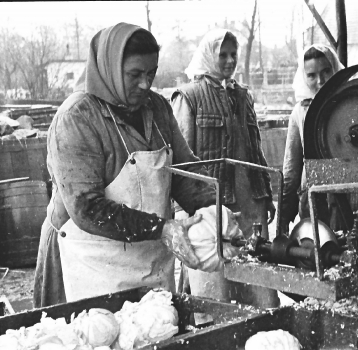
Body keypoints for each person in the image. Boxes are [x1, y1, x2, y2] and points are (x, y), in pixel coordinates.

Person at [33, 23, 217, 305]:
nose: (146, 84)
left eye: (151, 73)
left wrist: (217, 214)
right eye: (134, 74)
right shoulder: (77, 117)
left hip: (147, 258)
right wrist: (162, 229)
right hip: (87, 262)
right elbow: (86, 207)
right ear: (108, 68)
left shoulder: (157, 108)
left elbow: (183, 174)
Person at [171, 29, 278, 308]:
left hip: (249, 204)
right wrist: (189, 211)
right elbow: (181, 163)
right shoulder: (188, 97)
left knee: (260, 290)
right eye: (223, 54)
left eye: (234, 54)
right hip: (212, 210)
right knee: (214, 293)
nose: (230, 61)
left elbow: (256, 151)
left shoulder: (243, 96)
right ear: (208, 55)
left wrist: (265, 195)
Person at [280, 44, 345, 233]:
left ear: (335, 69)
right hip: (312, 202)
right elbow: (291, 169)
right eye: (311, 75)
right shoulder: (300, 113)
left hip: (347, 201)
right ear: (303, 77)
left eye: (326, 71)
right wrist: (284, 217)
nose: (320, 80)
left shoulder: (352, 102)